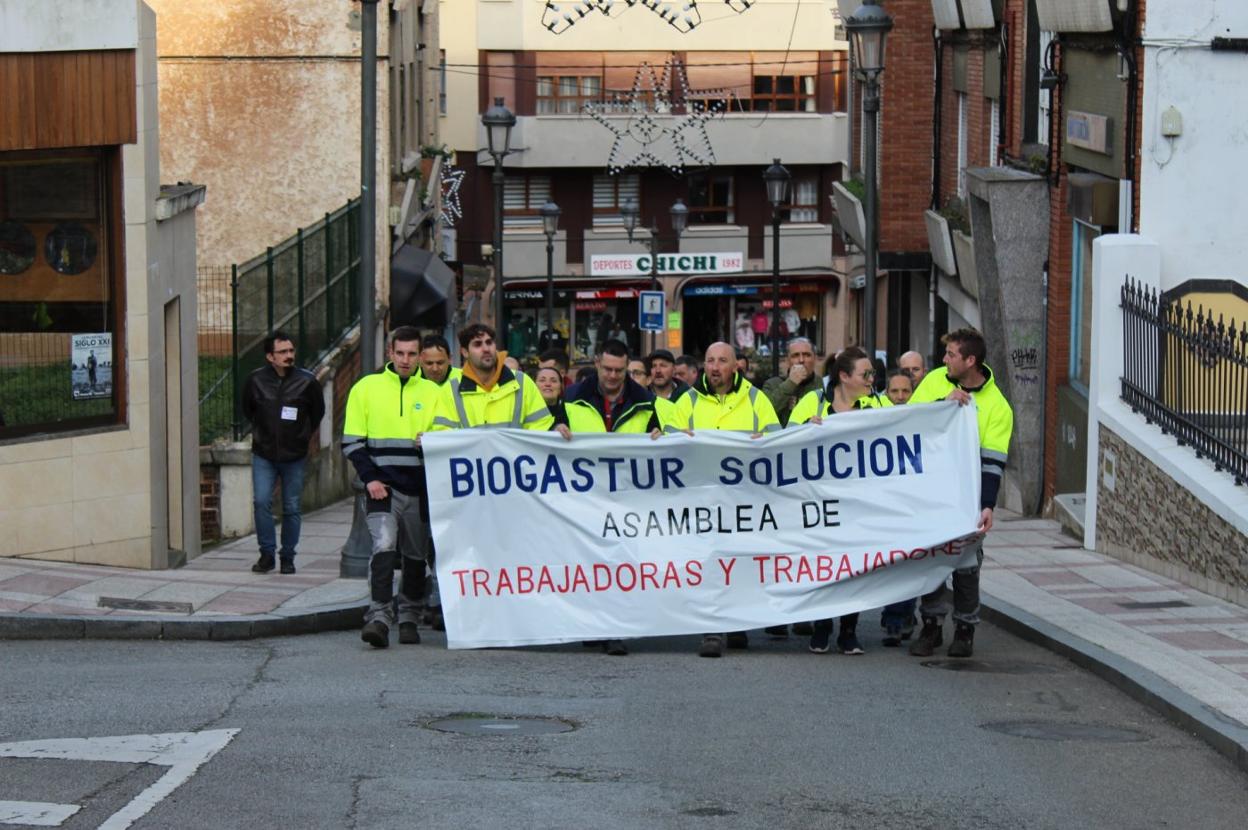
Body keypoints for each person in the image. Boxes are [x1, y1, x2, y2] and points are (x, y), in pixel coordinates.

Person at [669, 341, 780, 658]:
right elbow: (664, 449)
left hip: (744, 498)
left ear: (736, 366)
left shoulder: (757, 400)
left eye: (722, 361)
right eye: (709, 360)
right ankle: (714, 628)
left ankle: (736, 623)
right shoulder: (687, 401)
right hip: (702, 497)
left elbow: (778, 443)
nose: (715, 367)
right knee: (711, 562)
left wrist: (766, 442)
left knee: (739, 562)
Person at [907, 328, 1014, 659]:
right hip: (930, 492)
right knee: (931, 560)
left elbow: (993, 462)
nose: (944, 360)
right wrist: (942, 404)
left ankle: (965, 629)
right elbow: (907, 421)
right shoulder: (936, 381)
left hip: (967, 496)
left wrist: (987, 506)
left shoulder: (998, 406)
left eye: (951, 354)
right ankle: (932, 627)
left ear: (970, 360)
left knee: (966, 565)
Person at [564, 339, 663, 656]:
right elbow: (546, 431)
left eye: (619, 370)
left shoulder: (646, 403)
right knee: (589, 562)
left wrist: (662, 438)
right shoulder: (570, 399)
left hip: (626, 500)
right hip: (584, 497)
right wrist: (556, 427)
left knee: (619, 563)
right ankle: (593, 625)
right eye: (607, 368)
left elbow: (666, 443)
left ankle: (613, 629)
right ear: (596, 364)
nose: (612, 375)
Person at [788, 347, 887, 655]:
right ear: (844, 377)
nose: (872, 378)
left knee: (853, 566)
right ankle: (821, 625)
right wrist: (806, 431)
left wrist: (948, 405)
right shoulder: (813, 401)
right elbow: (784, 445)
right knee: (821, 564)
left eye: (872, 373)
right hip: (819, 501)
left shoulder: (878, 404)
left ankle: (848, 629)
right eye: (865, 374)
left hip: (858, 501)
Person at [343, 327, 427, 649]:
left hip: (419, 489)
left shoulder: (435, 393)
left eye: (412, 354)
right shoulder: (366, 388)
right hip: (381, 488)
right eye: (400, 353)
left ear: (419, 355)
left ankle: (409, 617)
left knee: (416, 557)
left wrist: (429, 443)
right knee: (383, 547)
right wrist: (370, 479)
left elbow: (448, 439)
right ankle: (379, 617)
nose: (406, 360)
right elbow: (352, 441)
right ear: (390, 353)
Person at [240, 331, 325, 575]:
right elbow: (248, 410)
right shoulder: (255, 381)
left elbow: (317, 413)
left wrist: (301, 437)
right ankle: (267, 554)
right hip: (264, 453)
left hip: (295, 454)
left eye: (291, 351)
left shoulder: (307, 381)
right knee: (261, 501)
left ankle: (288, 556)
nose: (289, 356)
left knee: (292, 506)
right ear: (270, 356)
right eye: (283, 352)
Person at [411, 334, 461, 631]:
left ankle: (442, 603)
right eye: (428, 363)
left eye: (440, 362)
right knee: (432, 542)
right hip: (425, 474)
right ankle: (435, 600)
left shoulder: (461, 385)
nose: (434, 368)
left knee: (452, 543)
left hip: (456, 476)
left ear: (451, 359)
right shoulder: (415, 386)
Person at [431, 323, 553, 432]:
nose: (486, 349)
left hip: (515, 458)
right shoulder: (451, 391)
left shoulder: (523, 382)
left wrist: (556, 429)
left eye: (489, 342)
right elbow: (444, 438)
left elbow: (541, 428)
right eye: (478, 344)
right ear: (465, 352)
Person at [762, 337, 821, 426]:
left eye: (806, 355)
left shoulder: (823, 384)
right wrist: (790, 384)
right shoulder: (772, 384)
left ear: (815, 359)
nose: (801, 360)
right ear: (787, 361)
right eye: (795, 355)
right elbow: (763, 413)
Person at [645, 349, 689, 426]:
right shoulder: (641, 397)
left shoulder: (687, 396)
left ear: (674, 369)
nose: (658, 371)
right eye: (653, 366)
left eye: (663, 366)